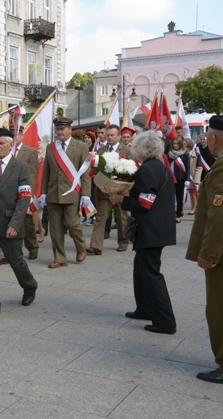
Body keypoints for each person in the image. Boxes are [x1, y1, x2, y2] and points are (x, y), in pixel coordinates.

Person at [111, 131, 176, 335]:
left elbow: (145, 202)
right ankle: (145, 308)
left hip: (152, 228)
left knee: (150, 273)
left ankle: (165, 321)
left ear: (140, 150)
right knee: (141, 270)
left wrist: (122, 200)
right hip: (156, 227)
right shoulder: (158, 167)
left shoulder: (148, 169)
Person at [0, 128, 39, 318]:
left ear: (11, 144)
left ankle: (29, 285)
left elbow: (24, 198)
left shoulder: (21, 168)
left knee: (16, 261)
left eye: (2, 143)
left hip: (10, 225)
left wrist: (15, 224)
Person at [186, 115, 223, 384]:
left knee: (222, 310)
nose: (205, 142)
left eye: (206, 137)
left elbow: (222, 215)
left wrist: (209, 253)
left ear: (213, 139)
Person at [40, 117, 92, 268]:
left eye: (62, 129)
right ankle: (60, 258)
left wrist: (86, 194)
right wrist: (43, 192)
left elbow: (86, 173)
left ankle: (81, 247)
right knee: (55, 228)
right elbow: (46, 172)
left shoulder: (81, 146)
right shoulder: (51, 147)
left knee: (72, 223)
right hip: (53, 193)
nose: (59, 132)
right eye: (57, 129)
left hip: (72, 192)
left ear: (70, 130)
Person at [87, 125, 132, 256]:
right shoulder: (100, 151)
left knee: (121, 216)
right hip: (104, 190)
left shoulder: (126, 150)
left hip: (120, 190)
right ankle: (96, 245)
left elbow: (132, 168)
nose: (110, 137)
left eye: (113, 135)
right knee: (100, 217)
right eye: (108, 135)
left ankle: (123, 242)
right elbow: (95, 168)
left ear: (119, 136)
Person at [13, 126, 42, 260]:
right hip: (9, 191)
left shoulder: (30, 152)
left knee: (27, 222)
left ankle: (32, 247)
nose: (14, 138)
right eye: (12, 135)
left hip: (24, 191)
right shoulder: (6, 150)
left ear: (21, 136)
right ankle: (8, 251)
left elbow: (33, 173)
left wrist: (30, 193)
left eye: (16, 135)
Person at [168, 137, 190, 223]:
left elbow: (187, 167)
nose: (175, 145)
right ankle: (170, 214)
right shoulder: (169, 154)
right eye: (174, 144)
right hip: (171, 178)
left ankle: (178, 215)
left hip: (181, 179)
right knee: (171, 198)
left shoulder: (185, 154)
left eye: (177, 143)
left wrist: (187, 178)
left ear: (180, 144)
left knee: (179, 197)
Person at [185, 138, 202, 215]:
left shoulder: (196, 155)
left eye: (185, 145)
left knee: (193, 193)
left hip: (192, 177)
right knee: (183, 193)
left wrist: (196, 179)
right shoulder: (183, 154)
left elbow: (199, 167)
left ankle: (193, 208)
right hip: (184, 177)